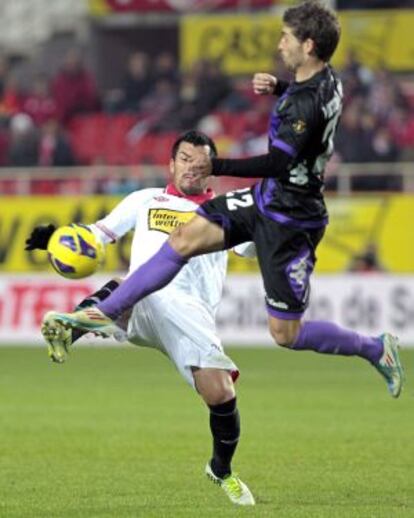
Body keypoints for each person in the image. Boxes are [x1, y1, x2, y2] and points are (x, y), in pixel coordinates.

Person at [45, 1, 404, 399]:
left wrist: (215, 164)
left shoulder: (305, 104)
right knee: (182, 239)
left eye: (287, 37)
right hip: (265, 199)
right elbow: (310, 105)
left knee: (286, 333)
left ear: (309, 45)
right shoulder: (329, 81)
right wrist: (281, 87)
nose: (280, 43)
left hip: (291, 220)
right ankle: (102, 313)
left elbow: (278, 161)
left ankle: (375, 348)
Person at [27, 130, 255, 506]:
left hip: (189, 319)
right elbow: (98, 235)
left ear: (210, 170)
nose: (191, 168)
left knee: (221, 394)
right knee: (130, 285)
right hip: (142, 303)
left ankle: (221, 469)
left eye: (200, 163)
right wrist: (57, 239)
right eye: (184, 159)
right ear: (171, 164)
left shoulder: (228, 211)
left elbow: (255, 244)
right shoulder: (145, 200)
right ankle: (73, 328)